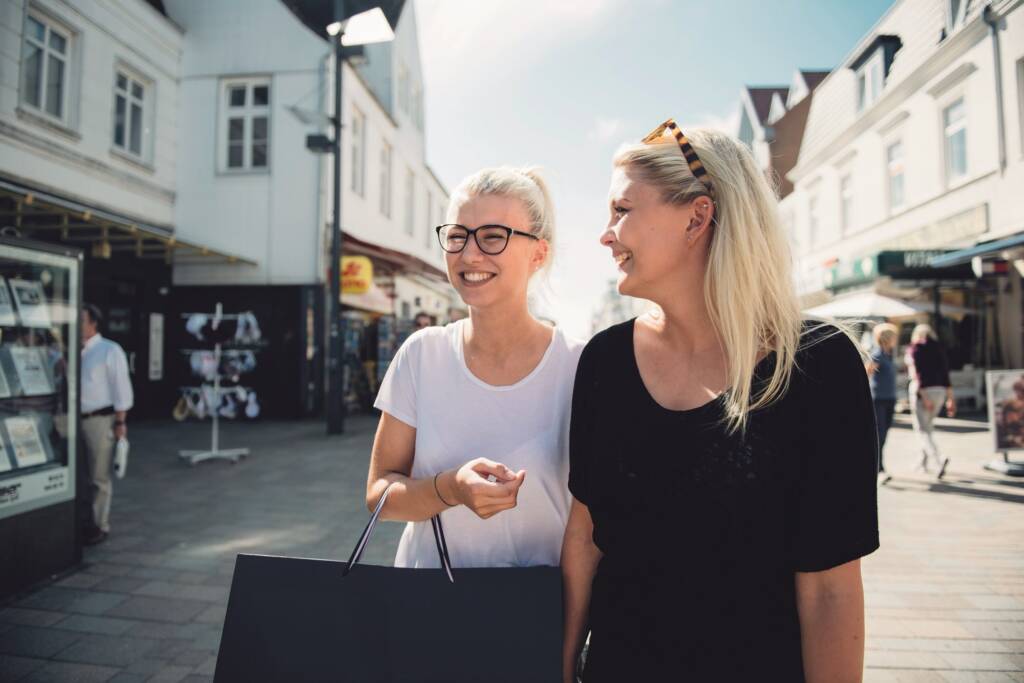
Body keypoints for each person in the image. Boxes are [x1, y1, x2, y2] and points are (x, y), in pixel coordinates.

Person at [561, 121, 878, 682]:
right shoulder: (604, 362)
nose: (606, 236)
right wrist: (561, 668)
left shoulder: (819, 364)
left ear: (697, 218)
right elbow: (585, 540)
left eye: (622, 210)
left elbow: (830, 589)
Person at [365, 166, 584, 570]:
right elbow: (379, 494)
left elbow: (594, 524)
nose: (469, 254)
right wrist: (449, 489)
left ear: (538, 253)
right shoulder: (421, 354)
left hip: (534, 602)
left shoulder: (578, 366)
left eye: (493, 236)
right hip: (428, 596)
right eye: (457, 236)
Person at [80, 304, 133, 545]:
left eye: (82, 320)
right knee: (80, 474)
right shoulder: (74, 351)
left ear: (94, 323)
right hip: (75, 420)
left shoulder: (109, 350)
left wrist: (120, 422)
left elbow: (121, 389)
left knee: (98, 476)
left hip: (100, 420)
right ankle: (83, 521)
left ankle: (99, 524)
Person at [905, 323, 954, 478]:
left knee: (922, 430)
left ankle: (938, 459)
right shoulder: (939, 348)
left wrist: (924, 396)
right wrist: (950, 398)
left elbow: (916, 374)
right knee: (928, 427)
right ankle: (923, 463)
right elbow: (946, 373)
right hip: (940, 392)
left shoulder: (914, 349)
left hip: (923, 391)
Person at [867, 323, 899, 484]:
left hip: (890, 398)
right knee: (880, 435)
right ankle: (879, 469)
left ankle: (878, 466)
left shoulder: (888, 355)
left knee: (884, 434)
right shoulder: (877, 355)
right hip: (879, 399)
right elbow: (866, 373)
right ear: (887, 338)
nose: (896, 340)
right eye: (894, 337)